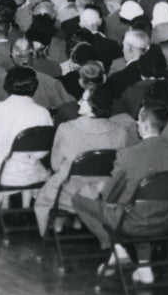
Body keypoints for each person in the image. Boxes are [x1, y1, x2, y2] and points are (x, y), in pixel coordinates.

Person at [72, 105, 168, 284]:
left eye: (139, 120)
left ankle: (117, 249)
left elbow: (109, 196)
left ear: (147, 124)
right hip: (164, 221)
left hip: (130, 223)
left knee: (79, 198)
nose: (136, 123)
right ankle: (144, 267)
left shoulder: (128, 155)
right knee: (142, 204)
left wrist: (104, 186)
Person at [33, 84, 130, 236]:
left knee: (42, 198)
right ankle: (79, 222)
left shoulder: (66, 128)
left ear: (93, 105)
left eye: (82, 100)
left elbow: (55, 165)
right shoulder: (120, 131)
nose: (78, 102)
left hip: (69, 190)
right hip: (102, 191)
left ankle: (45, 237)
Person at [0, 67, 53, 227]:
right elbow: (43, 150)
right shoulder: (43, 112)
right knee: (30, 161)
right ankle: (26, 209)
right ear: (34, 86)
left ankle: (4, 210)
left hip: (3, 172)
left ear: (7, 85)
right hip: (32, 173)